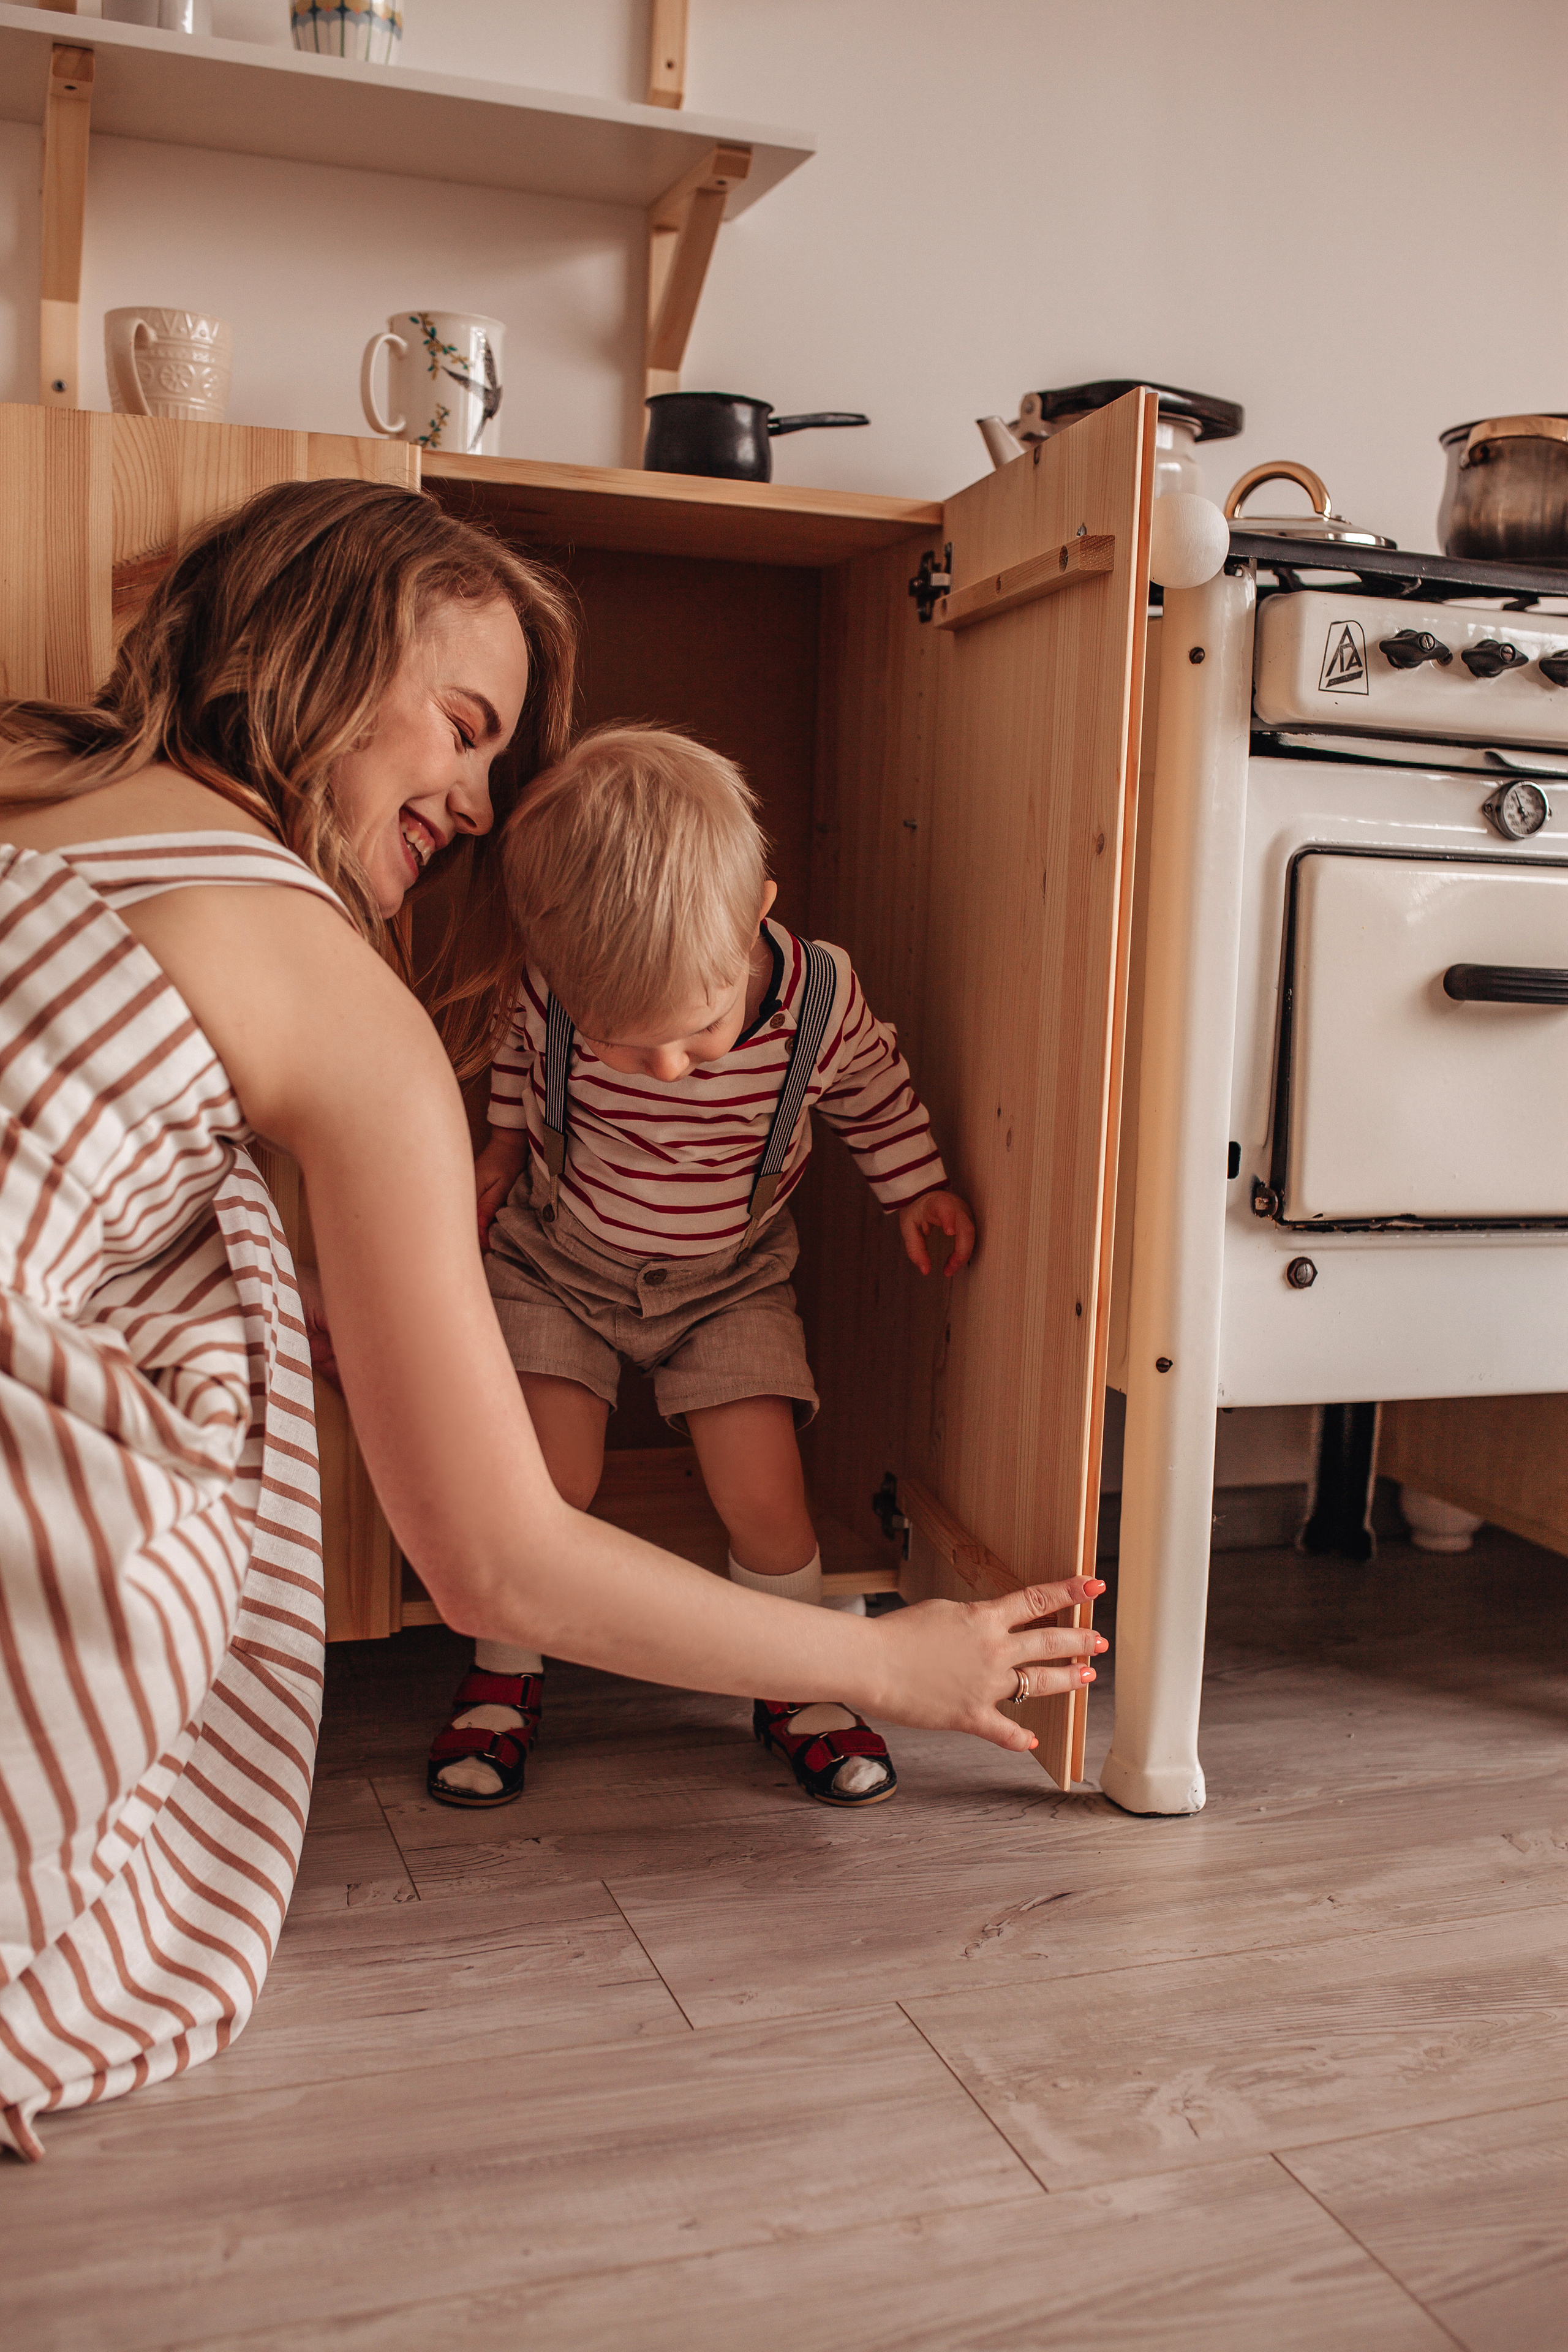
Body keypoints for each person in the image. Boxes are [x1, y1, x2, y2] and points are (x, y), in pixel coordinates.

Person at [0, 480, 1104, 2161]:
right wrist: (885, 1656)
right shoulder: (333, 992)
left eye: (501, 762)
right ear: (312, 640)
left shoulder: (30, 771)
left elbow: (874, 1101)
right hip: (568, 1296)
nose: (474, 795)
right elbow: (498, 1556)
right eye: (463, 724)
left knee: (747, 1482)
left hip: (728, 1287)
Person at [424, 725, 1057, 1812]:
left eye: (699, 1030)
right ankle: (505, 1674)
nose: (667, 1066)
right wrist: (496, 1149)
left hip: (730, 1279)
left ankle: (801, 1684)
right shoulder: (547, 988)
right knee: (540, 1487)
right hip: (559, 1263)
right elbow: (524, 1075)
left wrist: (917, 1188)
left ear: (759, 907)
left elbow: (874, 1093)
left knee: (766, 1501)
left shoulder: (821, 999)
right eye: (626, 1043)